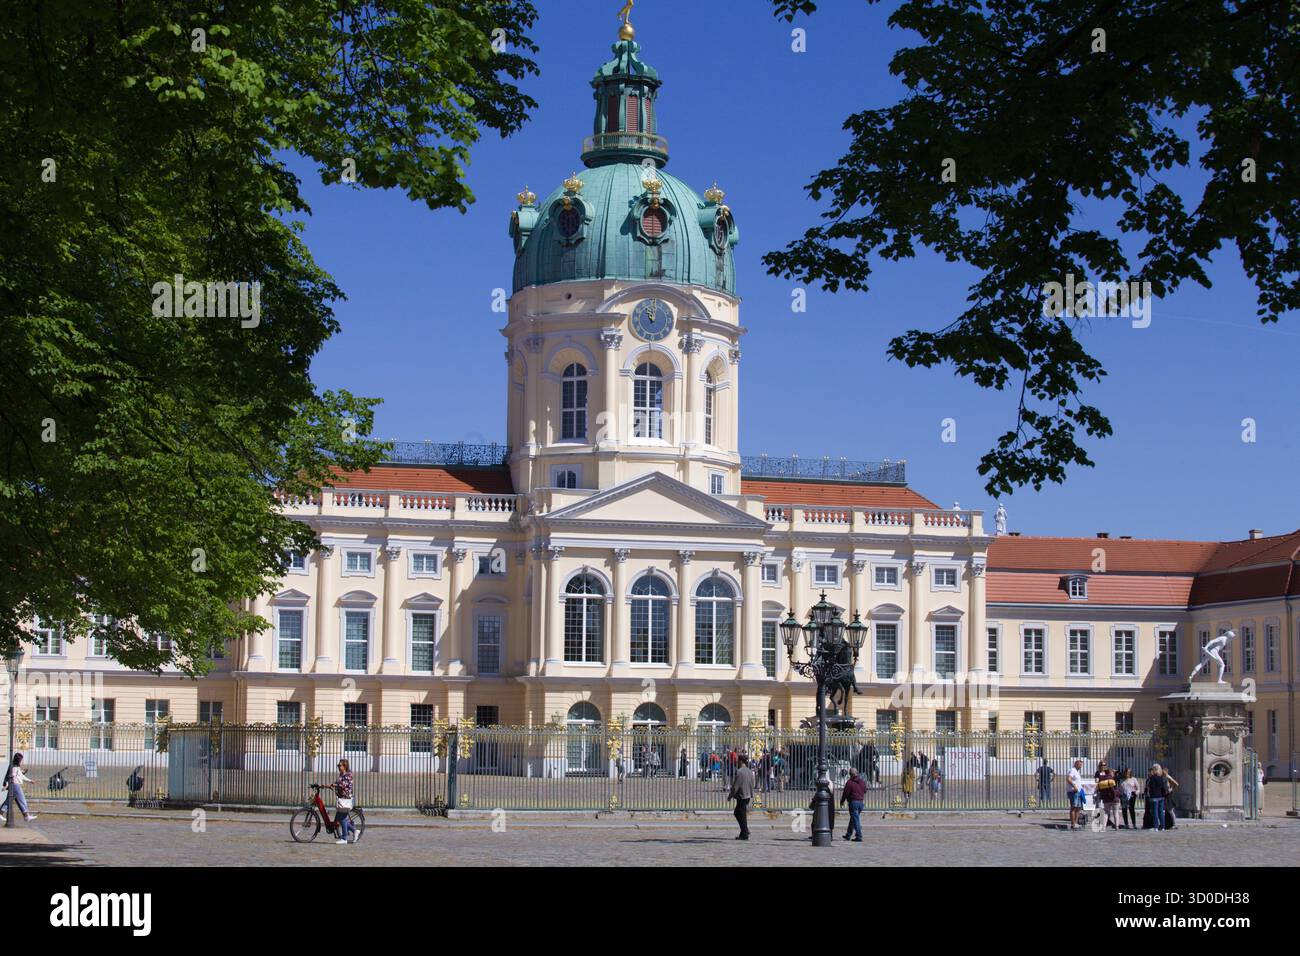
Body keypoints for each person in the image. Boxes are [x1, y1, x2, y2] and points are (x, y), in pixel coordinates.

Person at [1, 753, 37, 823]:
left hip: (15, 785)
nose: (21, 761)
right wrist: (7, 785)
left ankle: (26, 816)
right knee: (20, 800)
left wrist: (30, 781)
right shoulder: (13, 767)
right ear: (18, 760)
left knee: (15, 800)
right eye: (21, 760)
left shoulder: (16, 766)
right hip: (15, 785)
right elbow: (10, 776)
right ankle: (26, 816)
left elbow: (20, 776)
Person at [728, 754, 754, 840]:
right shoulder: (750, 771)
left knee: (739, 814)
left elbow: (736, 786)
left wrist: (730, 796)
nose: (737, 762)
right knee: (740, 814)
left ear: (741, 761)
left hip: (741, 795)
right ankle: (744, 832)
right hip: (747, 795)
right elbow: (752, 783)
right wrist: (751, 794)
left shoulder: (739, 771)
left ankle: (745, 832)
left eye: (737, 760)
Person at [840, 767, 866, 842]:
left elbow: (845, 793)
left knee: (855, 820)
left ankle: (859, 835)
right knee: (853, 819)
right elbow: (865, 790)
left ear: (850, 774)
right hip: (861, 802)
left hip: (853, 802)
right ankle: (848, 834)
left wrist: (842, 801)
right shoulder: (862, 781)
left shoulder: (849, 782)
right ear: (857, 773)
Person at [332, 758, 354, 845]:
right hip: (341, 799)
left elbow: (345, 784)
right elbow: (338, 783)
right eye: (338, 765)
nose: (338, 766)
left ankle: (344, 838)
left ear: (344, 766)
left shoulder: (348, 775)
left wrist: (336, 785)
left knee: (342, 819)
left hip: (346, 799)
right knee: (340, 819)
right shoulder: (341, 774)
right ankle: (354, 831)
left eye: (339, 765)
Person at [1145, 763, 1169, 831]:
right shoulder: (1161, 777)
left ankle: (1156, 826)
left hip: (1154, 797)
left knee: (1155, 812)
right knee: (1161, 812)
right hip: (1161, 796)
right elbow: (1163, 787)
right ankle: (1163, 826)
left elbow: (1151, 787)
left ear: (1154, 770)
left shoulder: (1152, 778)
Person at [1095, 765, 1120, 830]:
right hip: (1114, 798)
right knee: (1115, 812)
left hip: (1106, 798)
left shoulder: (1102, 780)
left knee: (1106, 813)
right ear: (1111, 773)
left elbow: (1099, 789)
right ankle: (1117, 826)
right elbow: (1119, 776)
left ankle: (1104, 827)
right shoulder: (1112, 779)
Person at [1066, 758, 1086, 830]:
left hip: (1078, 792)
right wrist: (1074, 786)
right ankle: (1073, 824)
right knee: (1073, 808)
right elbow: (1068, 779)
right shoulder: (1072, 770)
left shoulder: (1077, 771)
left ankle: (1076, 823)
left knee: (1078, 808)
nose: (1081, 766)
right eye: (1079, 764)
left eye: (1081, 765)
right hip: (1073, 792)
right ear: (1075, 764)